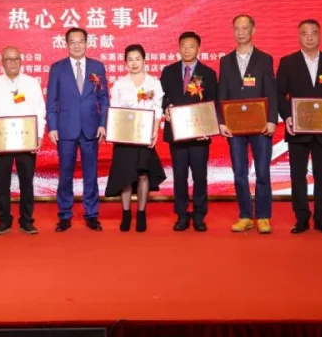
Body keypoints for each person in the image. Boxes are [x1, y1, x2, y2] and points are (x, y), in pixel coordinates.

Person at [277, 19, 322, 234]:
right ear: (299, 37)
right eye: (305, 33)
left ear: (320, 35)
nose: (310, 37)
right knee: (297, 175)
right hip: (298, 129)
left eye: (314, 33)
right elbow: (280, 94)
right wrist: (287, 116)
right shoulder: (288, 62)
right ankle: (302, 218)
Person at [218, 15, 278, 234]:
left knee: (262, 171)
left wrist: (272, 120)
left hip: (261, 126)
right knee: (239, 172)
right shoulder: (226, 61)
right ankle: (245, 215)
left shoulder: (265, 59)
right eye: (237, 28)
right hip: (234, 127)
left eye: (245, 28)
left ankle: (263, 216)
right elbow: (222, 92)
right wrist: (221, 121)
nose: (240, 32)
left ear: (253, 30)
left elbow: (271, 92)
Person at [46, 27, 109, 232]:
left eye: (80, 41)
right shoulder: (57, 68)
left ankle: (91, 214)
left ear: (86, 43)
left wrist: (102, 123)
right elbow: (52, 101)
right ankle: (65, 215)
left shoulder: (97, 67)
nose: (76, 45)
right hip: (65, 129)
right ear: (66, 44)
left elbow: (103, 98)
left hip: (91, 128)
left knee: (91, 173)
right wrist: (52, 127)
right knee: (65, 173)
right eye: (72, 42)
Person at [0, 46, 45, 235]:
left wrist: (39, 135)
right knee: (2, 183)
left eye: (16, 59)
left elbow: (39, 111)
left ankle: (26, 220)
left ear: (21, 61)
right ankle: (4, 220)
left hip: (26, 141)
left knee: (27, 182)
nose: (13, 63)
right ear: (2, 62)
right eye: (8, 59)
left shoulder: (31, 83)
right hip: (2, 142)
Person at [160, 31, 218, 232]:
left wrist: (209, 127)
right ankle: (182, 214)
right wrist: (166, 107)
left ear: (198, 49)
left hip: (199, 134)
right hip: (177, 133)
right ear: (178, 48)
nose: (187, 50)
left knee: (200, 176)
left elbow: (213, 103)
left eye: (191, 46)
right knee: (179, 175)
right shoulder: (168, 71)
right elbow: (162, 97)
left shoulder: (208, 73)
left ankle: (199, 215)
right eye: (183, 46)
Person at [104, 44, 166, 232]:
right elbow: (114, 110)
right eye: (130, 59)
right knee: (125, 175)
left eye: (137, 59)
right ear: (125, 62)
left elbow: (157, 109)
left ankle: (141, 213)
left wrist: (155, 131)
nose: (134, 63)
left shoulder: (154, 83)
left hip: (145, 134)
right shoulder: (120, 84)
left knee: (143, 174)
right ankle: (126, 213)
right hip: (124, 136)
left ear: (144, 60)